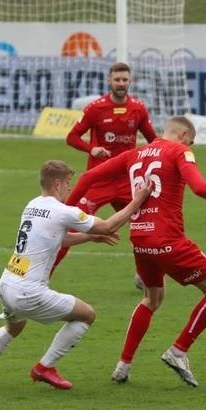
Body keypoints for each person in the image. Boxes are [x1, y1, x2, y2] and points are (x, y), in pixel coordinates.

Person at [66, 116, 206, 387]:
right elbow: (200, 187)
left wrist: (63, 211)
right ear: (183, 135)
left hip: (139, 239)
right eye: (192, 141)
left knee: (152, 298)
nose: (191, 146)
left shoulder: (133, 154)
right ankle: (178, 351)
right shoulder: (180, 151)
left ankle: (123, 365)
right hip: (167, 239)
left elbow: (88, 176)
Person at [0, 160, 152, 390]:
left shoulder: (32, 205)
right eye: (68, 183)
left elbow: (58, 239)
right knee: (87, 315)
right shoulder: (63, 211)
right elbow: (109, 225)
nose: (70, 188)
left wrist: (90, 238)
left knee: (14, 327)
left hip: (7, 283)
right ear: (58, 183)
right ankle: (45, 367)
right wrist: (138, 200)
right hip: (28, 291)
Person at [52, 62, 157, 284]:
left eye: (124, 80)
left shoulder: (138, 108)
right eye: (117, 80)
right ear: (109, 81)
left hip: (127, 182)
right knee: (69, 226)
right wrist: (92, 148)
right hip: (98, 181)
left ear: (130, 81)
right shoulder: (95, 108)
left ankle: (144, 274)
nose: (121, 84)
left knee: (145, 227)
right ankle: (45, 275)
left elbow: (153, 141)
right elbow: (72, 137)